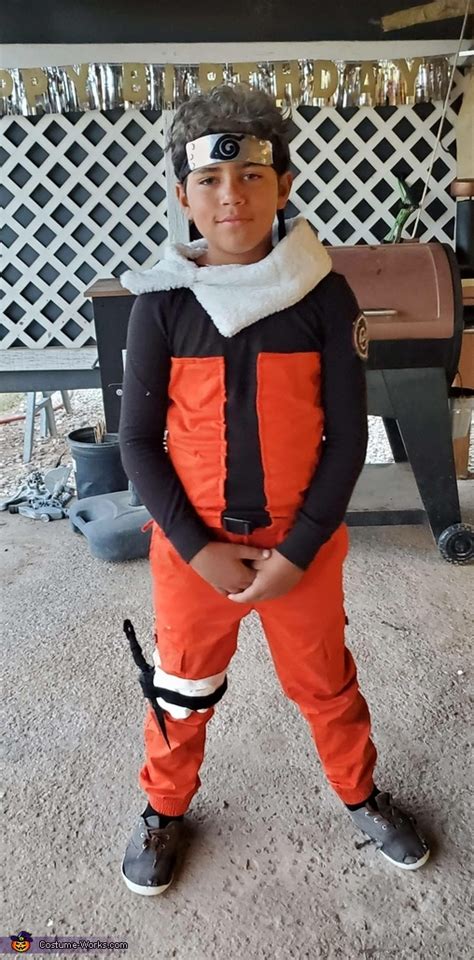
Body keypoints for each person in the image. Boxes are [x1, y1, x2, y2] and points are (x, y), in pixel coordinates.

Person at [118, 84, 429, 896]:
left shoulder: (323, 296)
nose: (232, 195)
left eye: (252, 175)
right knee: (181, 689)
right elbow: (137, 443)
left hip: (303, 546)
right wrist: (197, 549)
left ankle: (359, 793)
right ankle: (163, 808)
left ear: (284, 186)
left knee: (326, 683)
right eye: (210, 180)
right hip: (193, 552)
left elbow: (347, 440)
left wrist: (299, 551)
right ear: (183, 196)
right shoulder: (161, 304)